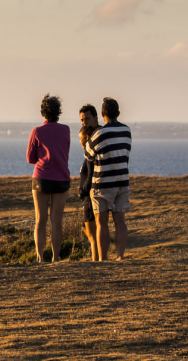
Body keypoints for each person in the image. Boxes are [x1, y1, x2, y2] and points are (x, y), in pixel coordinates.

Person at [26, 94, 70, 263]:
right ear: (58, 112)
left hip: (41, 177)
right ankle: (56, 257)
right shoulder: (65, 130)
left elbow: (30, 158)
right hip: (62, 177)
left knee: (40, 220)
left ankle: (40, 257)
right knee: (56, 221)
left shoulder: (37, 131)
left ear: (42, 112)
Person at [86, 97, 132, 261]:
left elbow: (88, 154)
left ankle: (103, 258)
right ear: (118, 113)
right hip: (122, 181)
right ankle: (120, 256)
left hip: (103, 182)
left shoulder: (100, 133)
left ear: (102, 113)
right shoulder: (127, 131)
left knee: (102, 223)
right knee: (120, 221)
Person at [77, 104, 101, 261]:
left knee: (93, 236)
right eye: (81, 120)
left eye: (86, 119)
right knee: (94, 232)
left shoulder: (96, 141)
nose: (84, 122)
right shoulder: (88, 148)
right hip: (91, 195)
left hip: (91, 195)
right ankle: (99, 259)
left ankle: (97, 260)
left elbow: (91, 172)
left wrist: (82, 191)